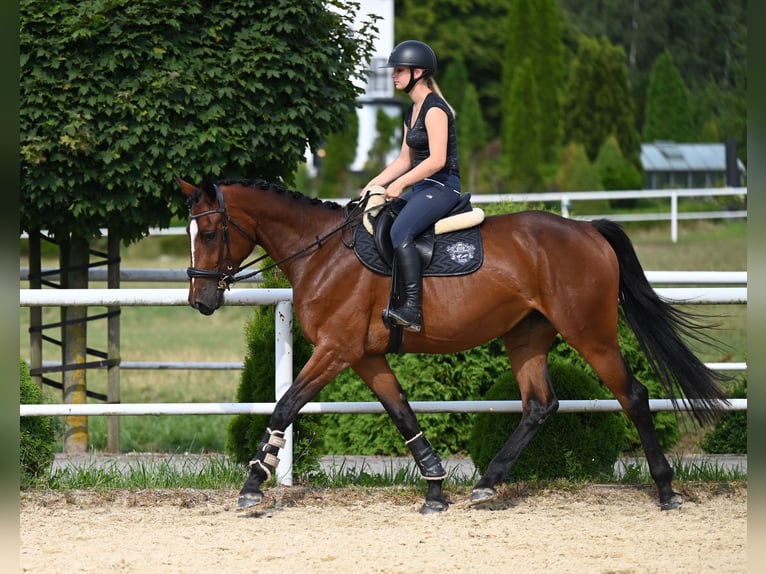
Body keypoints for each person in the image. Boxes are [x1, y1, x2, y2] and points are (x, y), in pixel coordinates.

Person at [362, 40, 461, 333]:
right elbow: (405, 159)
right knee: (381, 220)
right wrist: (374, 184)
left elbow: (437, 159)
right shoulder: (412, 110)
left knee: (400, 230)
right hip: (421, 187)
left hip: (443, 186)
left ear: (419, 72)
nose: (394, 75)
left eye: (399, 70)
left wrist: (401, 184)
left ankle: (412, 309)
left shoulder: (435, 109)